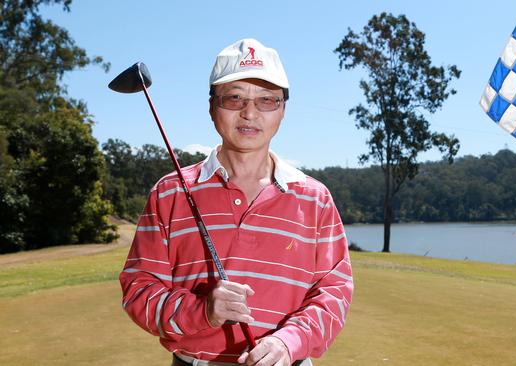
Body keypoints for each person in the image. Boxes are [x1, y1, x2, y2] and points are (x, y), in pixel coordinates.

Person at [119, 38, 353, 366]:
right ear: (212, 106)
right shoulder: (169, 192)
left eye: (266, 100)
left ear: (283, 109)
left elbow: (334, 291)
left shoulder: (315, 199)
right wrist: (201, 311)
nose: (250, 112)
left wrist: (290, 342)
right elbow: (139, 289)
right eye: (235, 97)